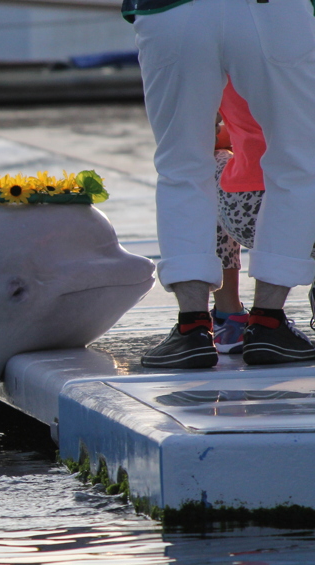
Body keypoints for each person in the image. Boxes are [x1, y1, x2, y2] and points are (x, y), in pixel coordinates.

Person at [124, 0, 315, 369]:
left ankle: (193, 328)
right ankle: (268, 323)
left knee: (182, 167)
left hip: (172, 8)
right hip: (269, 8)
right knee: (296, 162)